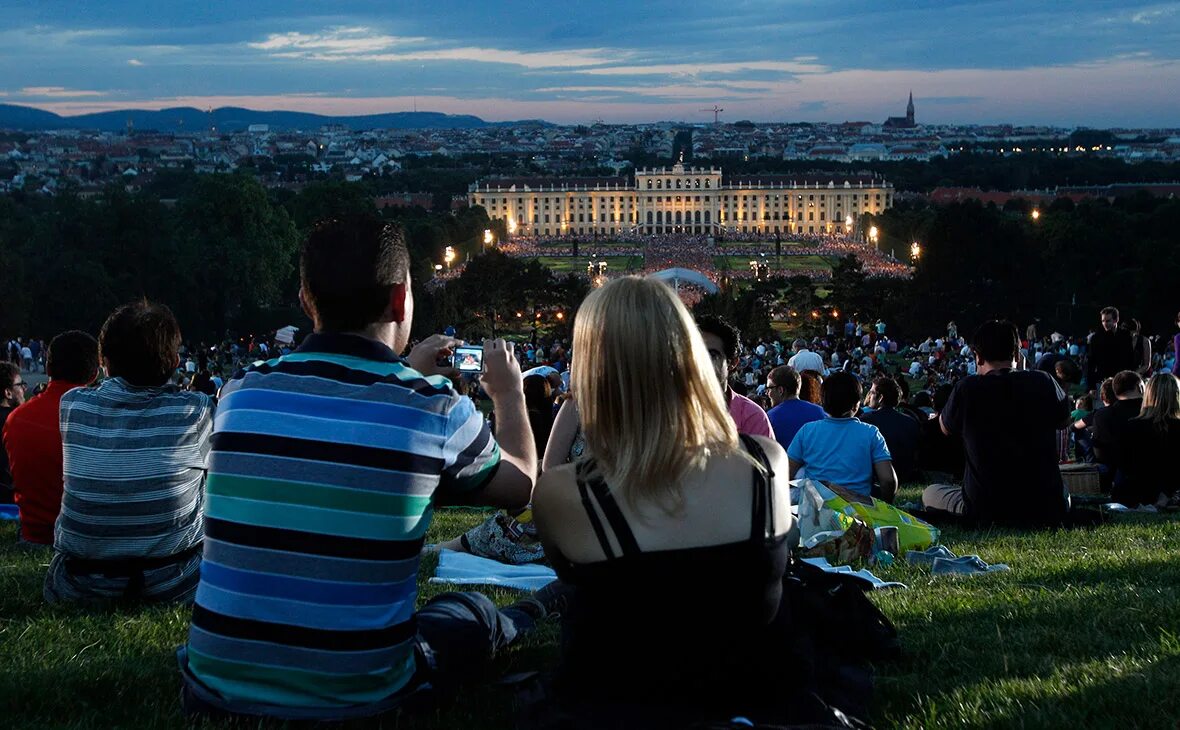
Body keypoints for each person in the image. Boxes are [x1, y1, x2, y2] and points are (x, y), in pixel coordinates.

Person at [180, 217, 548, 722]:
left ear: (308, 301)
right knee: (470, 612)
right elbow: (522, 483)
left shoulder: (240, 394)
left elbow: (341, 428)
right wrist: (508, 395)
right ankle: (525, 616)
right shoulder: (431, 406)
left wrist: (404, 371)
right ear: (401, 301)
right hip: (362, 692)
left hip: (210, 686)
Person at [531, 276, 797, 722]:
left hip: (619, 701)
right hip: (748, 693)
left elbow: (571, 575)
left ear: (592, 370)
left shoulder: (561, 492)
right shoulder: (768, 461)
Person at [46, 301, 214, 604]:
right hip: (173, 583)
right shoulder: (196, 411)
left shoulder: (73, 405)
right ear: (176, 361)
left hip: (79, 584)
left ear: (103, 360)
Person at [923, 321, 1072, 526]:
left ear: (978, 356)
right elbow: (1064, 421)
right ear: (1017, 355)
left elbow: (945, 428)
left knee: (930, 493)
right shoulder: (1043, 381)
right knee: (1063, 491)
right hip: (1044, 503)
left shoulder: (968, 388)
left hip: (986, 505)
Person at [3, 331, 99, 546]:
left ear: (47, 368)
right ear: (94, 374)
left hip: (34, 535)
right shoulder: (102, 417)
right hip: (85, 537)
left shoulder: (16, 418)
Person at [787, 372, 897, 501]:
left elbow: (787, 473)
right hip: (858, 512)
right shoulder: (871, 433)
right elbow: (888, 480)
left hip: (815, 512)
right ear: (856, 403)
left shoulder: (807, 431)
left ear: (823, 401)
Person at [696, 316, 773, 438]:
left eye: (712, 355)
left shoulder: (752, 417)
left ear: (732, 363)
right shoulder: (668, 412)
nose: (700, 361)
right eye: (693, 353)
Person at [1115, 374, 1180, 507]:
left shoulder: (1131, 426)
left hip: (1135, 491)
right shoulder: (1177, 428)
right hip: (1167, 490)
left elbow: (1124, 464)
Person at [1088, 370, 1144, 485]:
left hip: (1115, 475)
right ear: (1139, 387)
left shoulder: (1102, 415)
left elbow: (1099, 452)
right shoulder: (1151, 412)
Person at [860, 377, 921, 483]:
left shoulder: (866, 421)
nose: (870, 396)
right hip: (905, 474)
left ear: (880, 398)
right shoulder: (911, 422)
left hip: (878, 475)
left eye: (872, 393)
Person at [764, 365, 826, 451]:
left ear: (780, 390)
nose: (767, 393)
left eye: (769, 388)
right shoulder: (821, 412)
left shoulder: (769, 417)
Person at [1086, 306, 1137, 389]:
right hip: (1102, 381)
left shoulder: (1126, 336)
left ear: (1116, 320)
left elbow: (1130, 360)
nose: (1105, 324)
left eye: (1108, 321)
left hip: (1122, 382)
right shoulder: (1096, 338)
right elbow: (1091, 363)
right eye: (1103, 321)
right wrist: (1091, 387)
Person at [0, 362, 28, 503]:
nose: (24, 388)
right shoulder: (16, 421)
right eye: (20, 384)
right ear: (8, 393)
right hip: (9, 498)